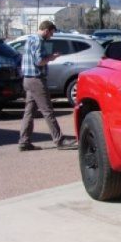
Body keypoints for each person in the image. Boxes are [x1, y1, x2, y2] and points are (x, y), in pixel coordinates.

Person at [17, 20, 78, 151]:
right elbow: (39, 61)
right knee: (47, 110)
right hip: (36, 79)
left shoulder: (30, 39)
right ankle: (59, 140)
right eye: (51, 33)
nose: (51, 36)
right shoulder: (39, 41)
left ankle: (24, 141)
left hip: (27, 79)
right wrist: (51, 57)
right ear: (46, 30)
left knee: (29, 111)